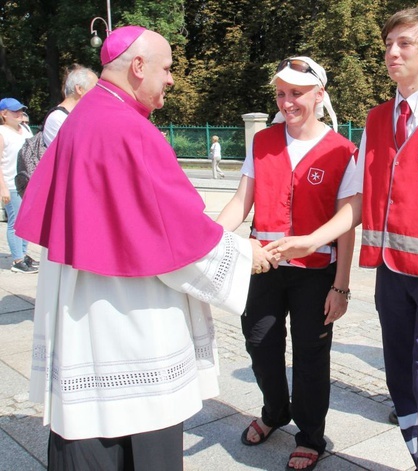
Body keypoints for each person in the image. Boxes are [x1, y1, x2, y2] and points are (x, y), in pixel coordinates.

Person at [14, 25, 275, 470]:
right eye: (167, 68)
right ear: (138, 67)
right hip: (127, 322)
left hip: (86, 313)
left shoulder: (88, 115)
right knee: (143, 437)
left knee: (90, 433)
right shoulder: (127, 130)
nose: (171, 79)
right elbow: (174, 239)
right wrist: (246, 255)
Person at [266, 8, 418, 464]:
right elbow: (357, 201)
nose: (391, 52)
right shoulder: (378, 118)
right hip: (389, 275)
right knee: (400, 379)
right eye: (388, 45)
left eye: (404, 43)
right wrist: (311, 240)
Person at [216, 56, 356, 471]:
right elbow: (241, 202)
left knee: (312, 356)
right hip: (263, 267)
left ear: (319, 95)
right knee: (260, 343)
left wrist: (342, 286)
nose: (287, 101)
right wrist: (208, 238)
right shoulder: (263, 142)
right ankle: (275, 411)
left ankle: (311, 434)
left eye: (296, 93)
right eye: (281, 93)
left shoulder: (342, 149)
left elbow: (347, 225)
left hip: (316, 273)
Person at [0, 97, 35, 273]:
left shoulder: (25, 129)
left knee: (26, 220)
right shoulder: (2, 133)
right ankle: (17, 259)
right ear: (3, 114)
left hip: (27, 182)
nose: (19, 113)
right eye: (14, 111)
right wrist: (3, 187)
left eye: (20, 110)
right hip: (11, 183)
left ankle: (23, 253)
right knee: (15, 221)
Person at [43, 64, 98, 146]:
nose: (99, 93)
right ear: (79, 89)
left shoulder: (80, 116)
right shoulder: (57, 119)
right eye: (95, 88)